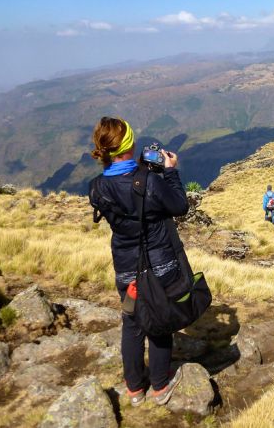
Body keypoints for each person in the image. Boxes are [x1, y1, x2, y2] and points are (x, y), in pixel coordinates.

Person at [88, 117, 187, 407]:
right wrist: (169, 172)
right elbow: (179, 205)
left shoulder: (97, 187)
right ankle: (159, 385)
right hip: (159, 268)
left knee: (131, 324)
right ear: (130, 143)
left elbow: (124, 192)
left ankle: (134, 389)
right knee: (159, 321)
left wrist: (144, 171)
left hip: (126, 271)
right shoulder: (152, 181)